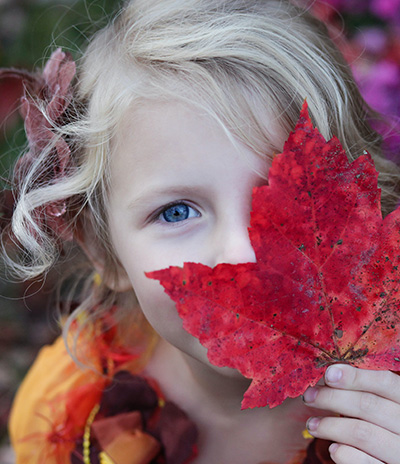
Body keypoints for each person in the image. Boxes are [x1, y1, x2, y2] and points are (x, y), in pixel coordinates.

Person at [2, 0, 400, 463]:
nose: (241, 253)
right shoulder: (75, 407)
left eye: (289, 197)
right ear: (103, 252)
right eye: (176, 213)